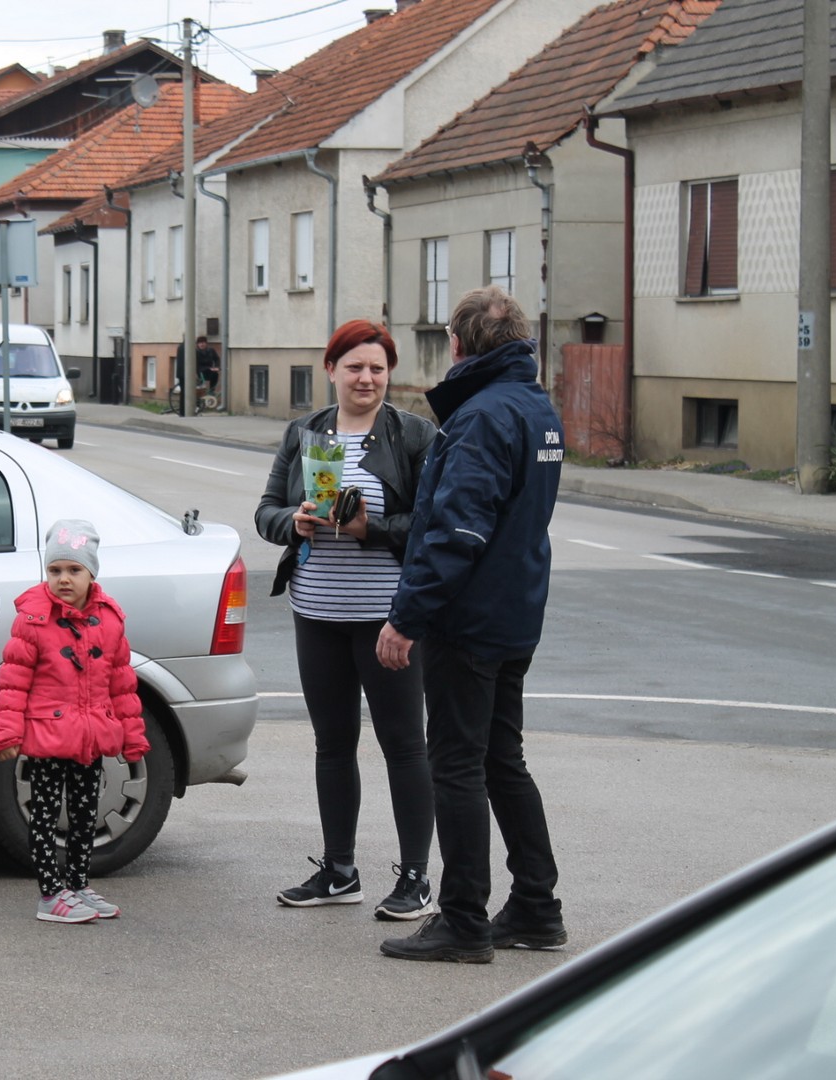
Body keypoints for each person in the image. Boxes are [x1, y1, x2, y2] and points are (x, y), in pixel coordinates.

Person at [376, 286, 567, 964]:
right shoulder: (535, 408)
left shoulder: (484, 416)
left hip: (472, 618)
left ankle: (462, 919)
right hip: (515, 611)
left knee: (456, 764)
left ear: (458, 346)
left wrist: (406, 618)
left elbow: (458, 529)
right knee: (500, 759)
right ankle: (537, 908)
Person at [256, 319, 439, 921]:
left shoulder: (413, 436)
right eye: (355, 366)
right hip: (318, 610)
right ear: (331, 369)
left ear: (390, 374)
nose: (366, 378)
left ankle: (415, 878)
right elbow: (267, 510)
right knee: (333, 745)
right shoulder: (304, 432)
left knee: (404, 746)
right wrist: (295, 522)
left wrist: (370, 529)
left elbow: (431, 527)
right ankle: (339, 870)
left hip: (387, 619)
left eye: (378, 368)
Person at [0, 519, 150, 924]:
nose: (64, 579)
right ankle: (50, 895)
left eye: (74, 570)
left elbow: (122, 684)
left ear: (91, 572)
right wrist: (7, 732)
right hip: (47, 736)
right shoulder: (33, 621)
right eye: (55, 570)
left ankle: (77, 885)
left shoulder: (109, 621)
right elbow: (13, 681)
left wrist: (132, 739)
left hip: (90, 737)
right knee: (44, 816)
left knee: (84, 814)